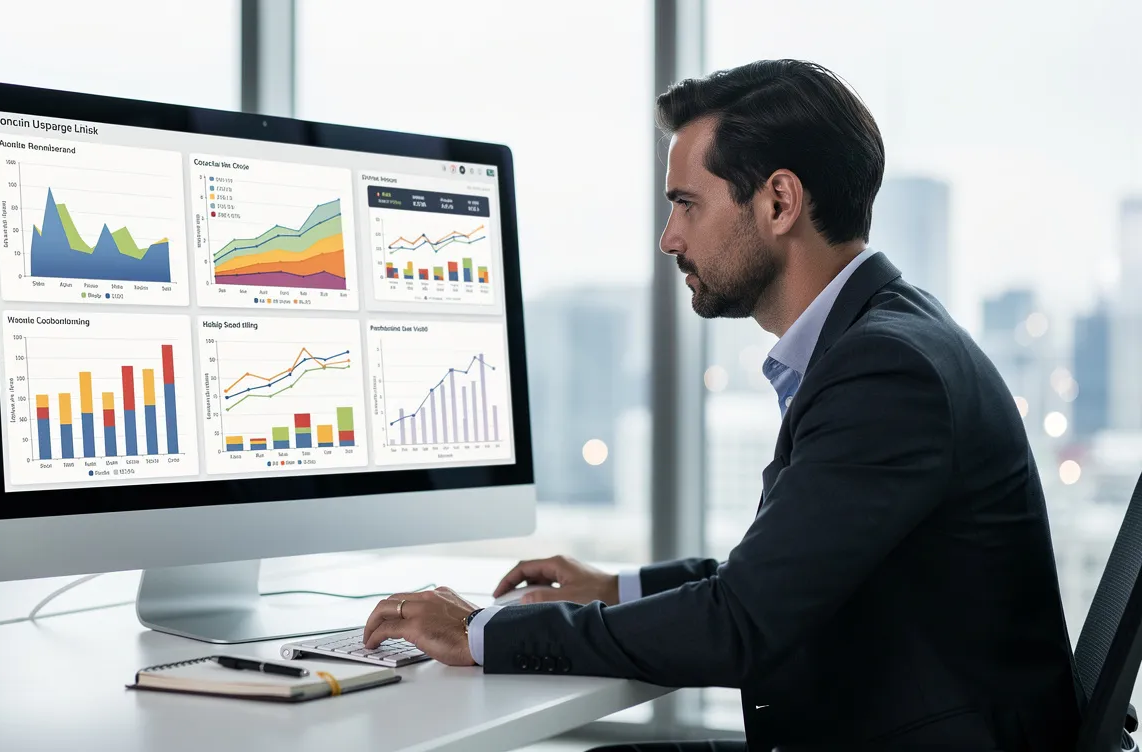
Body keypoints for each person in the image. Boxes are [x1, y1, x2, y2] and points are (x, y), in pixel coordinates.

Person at [362, 59, 1081, 751]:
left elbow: (742, 625)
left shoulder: (885, 370)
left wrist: (480, 632)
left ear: (778, 202)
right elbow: (779, 576)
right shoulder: (885, 333)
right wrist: (616, 587)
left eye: (685, 204)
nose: (668, 238)